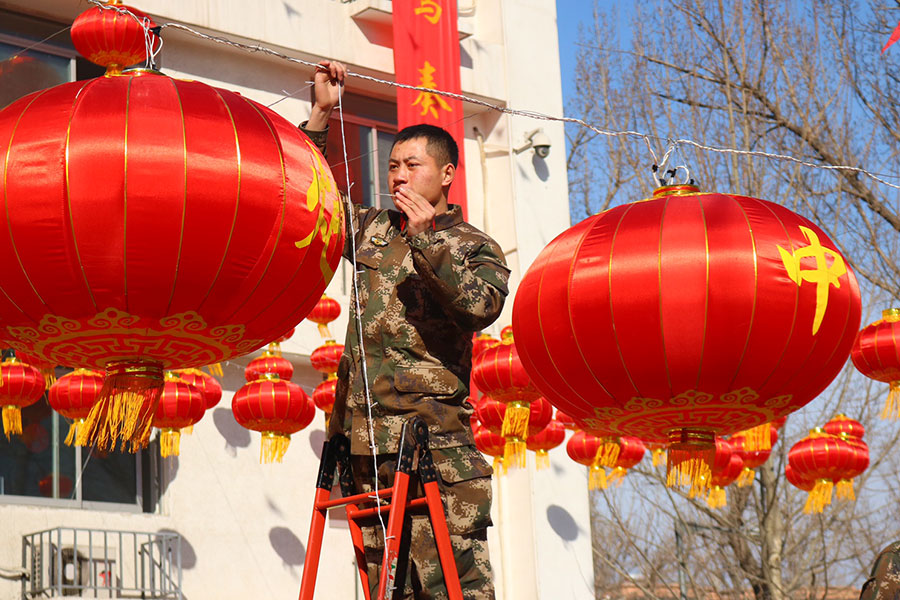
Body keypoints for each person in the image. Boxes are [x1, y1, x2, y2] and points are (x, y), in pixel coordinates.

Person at [300, 61, 509, 600]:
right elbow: (310, 195)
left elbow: (481, 307)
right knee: (381, 584)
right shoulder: (372, 229)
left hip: (433, 441)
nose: (397, 176)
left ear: (445, 174)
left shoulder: (473, 245)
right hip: (364, 439)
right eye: (392, 165)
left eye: (411, 165)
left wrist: (427, 239)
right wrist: (322, 111)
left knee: (447, 582)